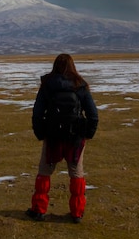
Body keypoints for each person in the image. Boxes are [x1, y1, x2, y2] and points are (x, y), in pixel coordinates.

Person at [26, 53, 99, 223]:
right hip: (75, 137)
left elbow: (37, 113)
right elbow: (93, 114)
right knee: (76, 173)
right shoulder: (80, 85)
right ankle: (77, 213)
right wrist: (88, 134)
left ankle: (38, 210)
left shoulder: (47, 85)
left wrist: (40, 134)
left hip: (52, 137)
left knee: (45, 172)